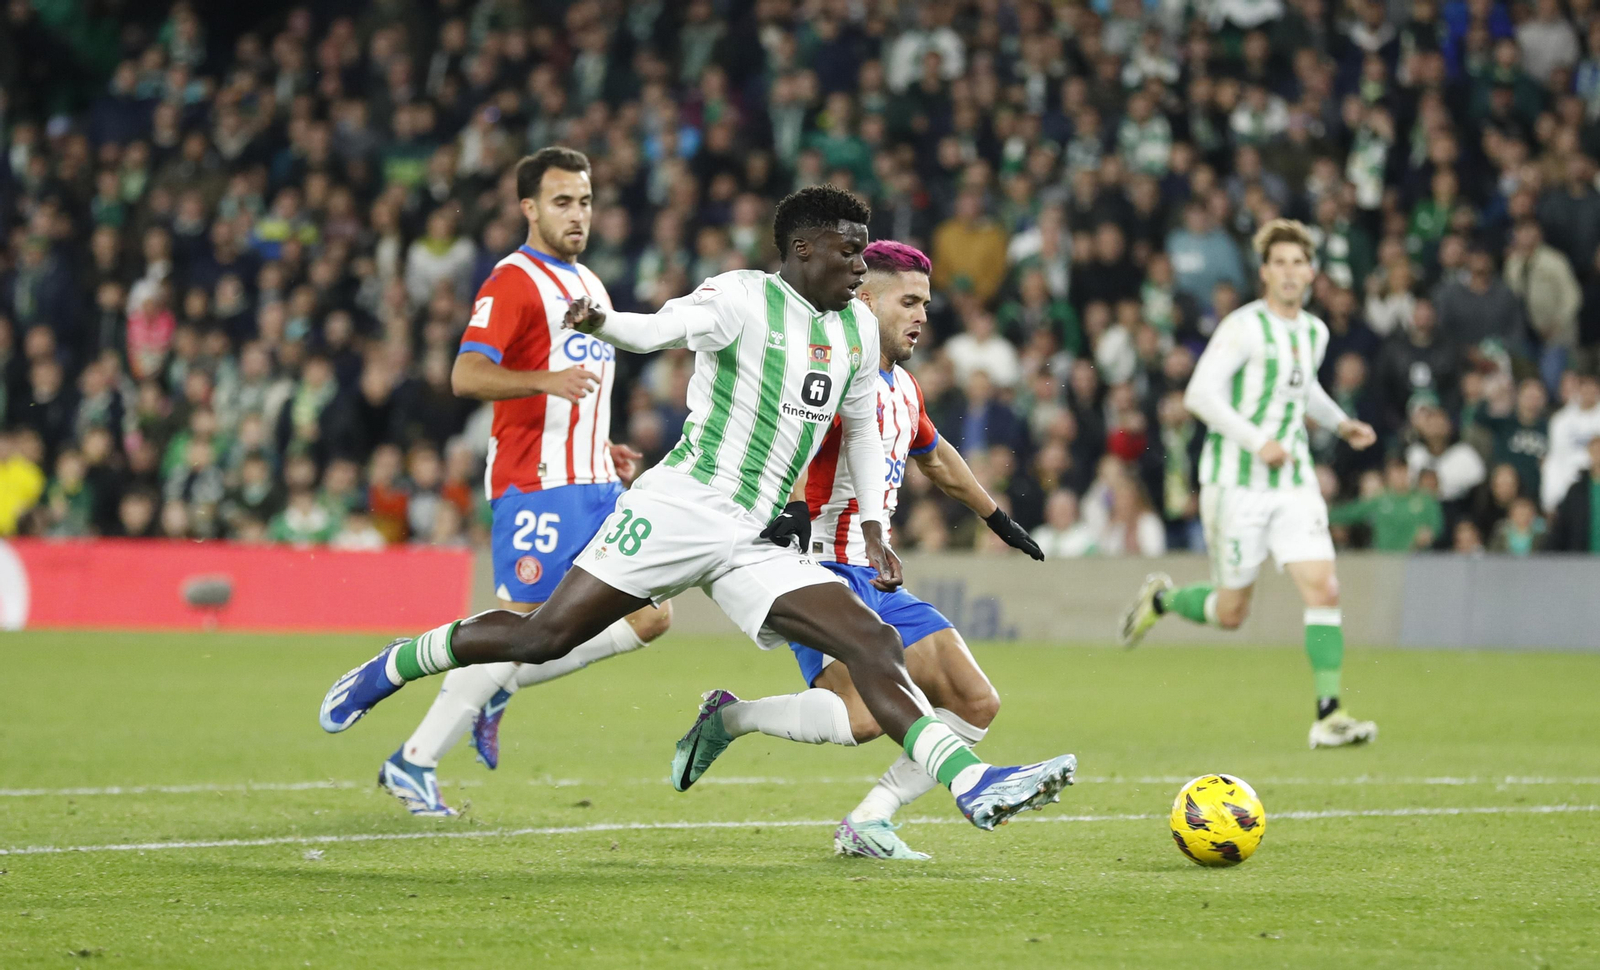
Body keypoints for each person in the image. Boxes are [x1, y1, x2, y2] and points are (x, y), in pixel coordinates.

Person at [320, 186, 1078, 832]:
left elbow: (855, 431)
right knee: (541, 636)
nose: (860, 266)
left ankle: (970, 783)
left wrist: (876, 532)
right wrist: (600, 323)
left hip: (754, 537)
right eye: (850, 253)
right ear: (806, 249)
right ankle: (394, 664)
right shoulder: (740, 297)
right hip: (682, 509)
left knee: (872, 643)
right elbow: (656, 329)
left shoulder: (852, 330)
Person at [669, 241, 1045, 860]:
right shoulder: (828, 366)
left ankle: (870, 820)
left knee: (975, 701)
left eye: (926, 303)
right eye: (909, 301)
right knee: (865, 717)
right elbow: (785, 434)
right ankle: (729, 719)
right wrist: (787, 508)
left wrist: (996, 517)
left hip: (876, 572)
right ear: (864, 300)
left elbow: (938, 457)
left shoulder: (901, 385)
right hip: (813, 565)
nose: (922, 315)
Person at [376, 148, 672, 817]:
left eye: (586, 201)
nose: (578, 214)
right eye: (563, 201)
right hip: (537, 484)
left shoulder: (591, 286)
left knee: (653, 614)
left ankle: (499, 686)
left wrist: (605, 446)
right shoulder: (512, 280)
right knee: (517, 626)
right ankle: (413, 761)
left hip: (595, 481)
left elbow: (578, 390)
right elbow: (466, 375)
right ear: (529, 209)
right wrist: (542, 383)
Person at [1118, 219, 1381, 749]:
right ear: (1264, 272)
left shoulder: (1315, 331)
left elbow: (1302, 389)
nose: (1289, 272)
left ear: (1311, 272)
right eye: (1279, 262)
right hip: (1235, 483)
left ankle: (1329, 713)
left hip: (1292, 480)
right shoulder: (1243, 327)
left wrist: (1338, 423)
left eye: (1298, 262)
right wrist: (1257, 440)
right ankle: (1164, 600)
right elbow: (1200, 395)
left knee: (1324, 585)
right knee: (1232, 611)